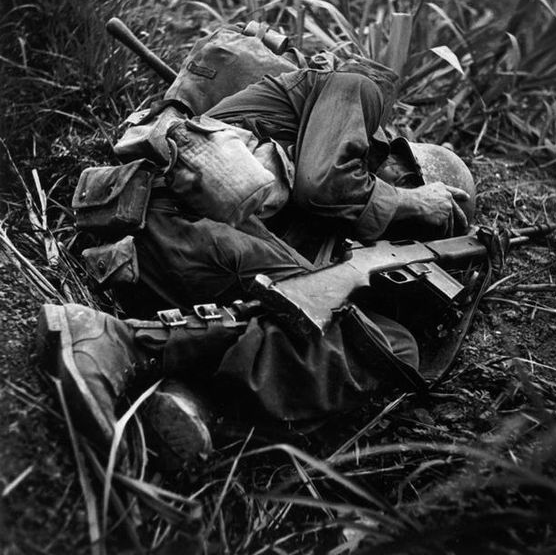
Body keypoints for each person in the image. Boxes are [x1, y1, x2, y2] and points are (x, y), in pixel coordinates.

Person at [38, 62, 475, 465]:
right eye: (428, 215)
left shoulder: (325, 229)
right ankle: (123, 343)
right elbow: (321, 183)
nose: (411, 225)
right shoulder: (353, 89)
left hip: (166, 252)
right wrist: (412, 202)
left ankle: (191, 404)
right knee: (386, 345)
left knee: (355, 335)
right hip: (176, 217)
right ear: (403, 163)